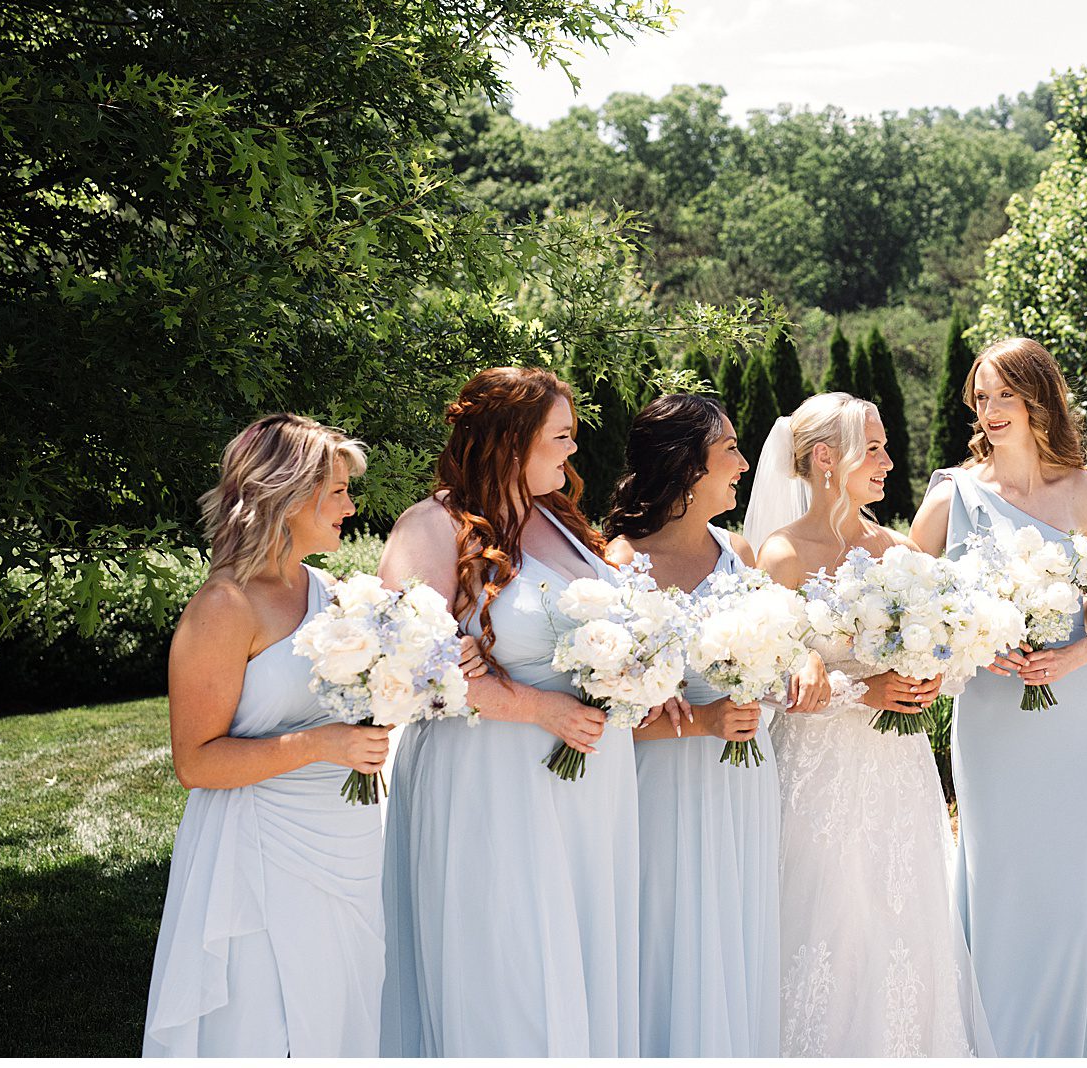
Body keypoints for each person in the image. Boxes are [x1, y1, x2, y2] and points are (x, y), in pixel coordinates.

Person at [377, 366, 643, 1056]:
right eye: (561, 436)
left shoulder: (558, 520)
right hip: (491, 782)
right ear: (510, 440)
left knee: (578, 960)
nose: (572, 451)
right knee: (509, 972)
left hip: (588, 790)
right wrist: (536, 707)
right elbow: (412, 669)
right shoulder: (431, 529)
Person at [908, 337, 1087, 1057]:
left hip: (1066, 713)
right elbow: (910, 613)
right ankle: (997, 1037)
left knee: (1071, 864)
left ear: (1039, 397)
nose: (989, 411)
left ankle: (1074, 1040)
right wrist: (971, 643)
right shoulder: (949, 495)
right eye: (980, 398)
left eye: (1003, 396)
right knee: (997, 863)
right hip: (987, 713)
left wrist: (1075, 653)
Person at [745, 391, 993, 1056]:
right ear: (826, 459)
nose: (889, 460)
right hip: (819, 775)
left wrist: (933, 671)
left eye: (885, 445)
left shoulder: (897, 549)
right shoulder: (782, 555)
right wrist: (864, 688)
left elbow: (937, 640)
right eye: (873, 447)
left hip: (898, 771)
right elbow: (777, 681)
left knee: (903, 917)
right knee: (829, 919)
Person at [143, 414, 387, 1057]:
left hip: (348, 840)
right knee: (268, 1019)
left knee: (345, 1009)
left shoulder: (330, 592)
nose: (350, 506)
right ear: (286, 496)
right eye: (336, 491)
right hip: (262, 849)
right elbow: (194, 763)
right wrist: (319, 746)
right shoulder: (224, 606)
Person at [604, 392, 826, 1057]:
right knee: (666, 938)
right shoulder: (620, 564)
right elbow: (604, 710)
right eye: (729, 448)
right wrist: (699, 720)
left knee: (735, 934)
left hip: (742, 785)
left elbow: (784, 643)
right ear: (686, 465)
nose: (743, 461)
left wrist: (804, 660)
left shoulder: (739, 551)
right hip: (660, 789)